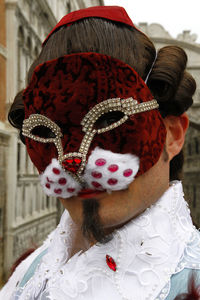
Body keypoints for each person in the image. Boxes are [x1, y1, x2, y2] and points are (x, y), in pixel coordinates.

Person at [1, 5, 200, 300]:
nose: (74, 161)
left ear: (171, 134)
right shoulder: (28, 274)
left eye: (109, 119)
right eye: (46, 131)